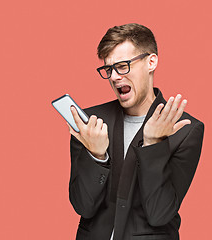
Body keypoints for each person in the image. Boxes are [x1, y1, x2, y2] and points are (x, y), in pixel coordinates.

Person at [67, 23, 204, 240]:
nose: (113, 76)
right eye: (108, 69)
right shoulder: (91, 124)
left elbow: (160, 214)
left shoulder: (185, 130)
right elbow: (83, 205)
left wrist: (153, 145)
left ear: (151, 62)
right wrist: (97, 156)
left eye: (122, 66)